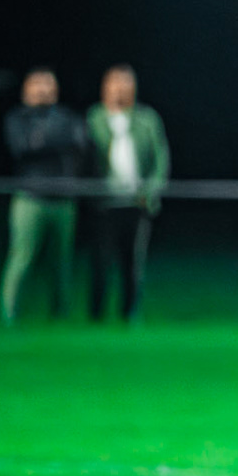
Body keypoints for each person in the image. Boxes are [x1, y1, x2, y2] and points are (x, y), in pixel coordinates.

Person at [0, 67, 89, 323]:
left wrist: (41, 140)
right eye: (37, 86)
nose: (43, 91)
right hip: (30, 199)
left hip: (64, 202)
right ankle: (8, 316)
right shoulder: (16, 118)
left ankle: (60, 316)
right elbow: (21, 147)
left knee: (61, 263)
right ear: (26, 90)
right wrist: (53, 139)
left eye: (48, 85)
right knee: (21, 258)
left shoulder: (68, 117)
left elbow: (80, 141)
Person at [85, 64, 170, 322]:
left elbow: (161, 161)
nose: (120, 89)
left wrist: (150, 191)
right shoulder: (94, 118)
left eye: (125, 84)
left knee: (133, 264)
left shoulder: (147, 119)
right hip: (104, 204)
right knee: (100, 262)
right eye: (114, 84)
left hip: (137, 204)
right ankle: (96, 317)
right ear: (105, 88)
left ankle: (130, 315)